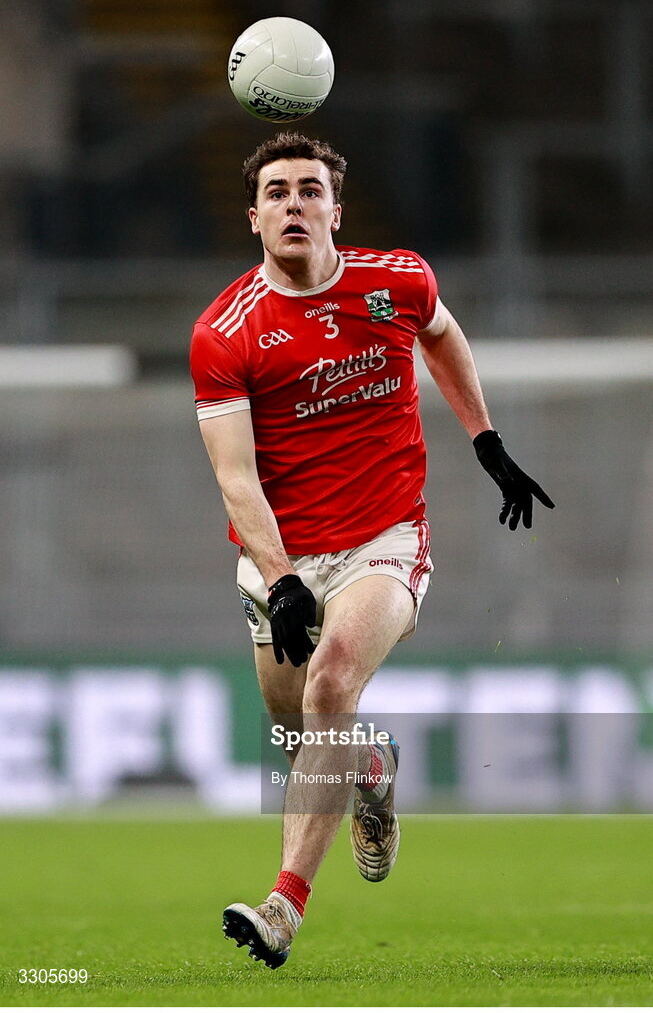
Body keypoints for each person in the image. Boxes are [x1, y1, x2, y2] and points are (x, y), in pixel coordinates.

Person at [190, 131, 554, 969]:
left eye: (309, 190)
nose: (293, 204)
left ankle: (283, 906)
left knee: (329, 682)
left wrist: (485, 440)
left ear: (335, 210)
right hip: (281, 550)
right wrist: (279, 579)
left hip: (385, 538)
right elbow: (235, 481)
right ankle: (372, 771)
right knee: (297, 724)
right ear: (253, 217)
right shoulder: (225, 331)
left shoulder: (395, 281)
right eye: (276, 192)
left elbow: (442, 333)